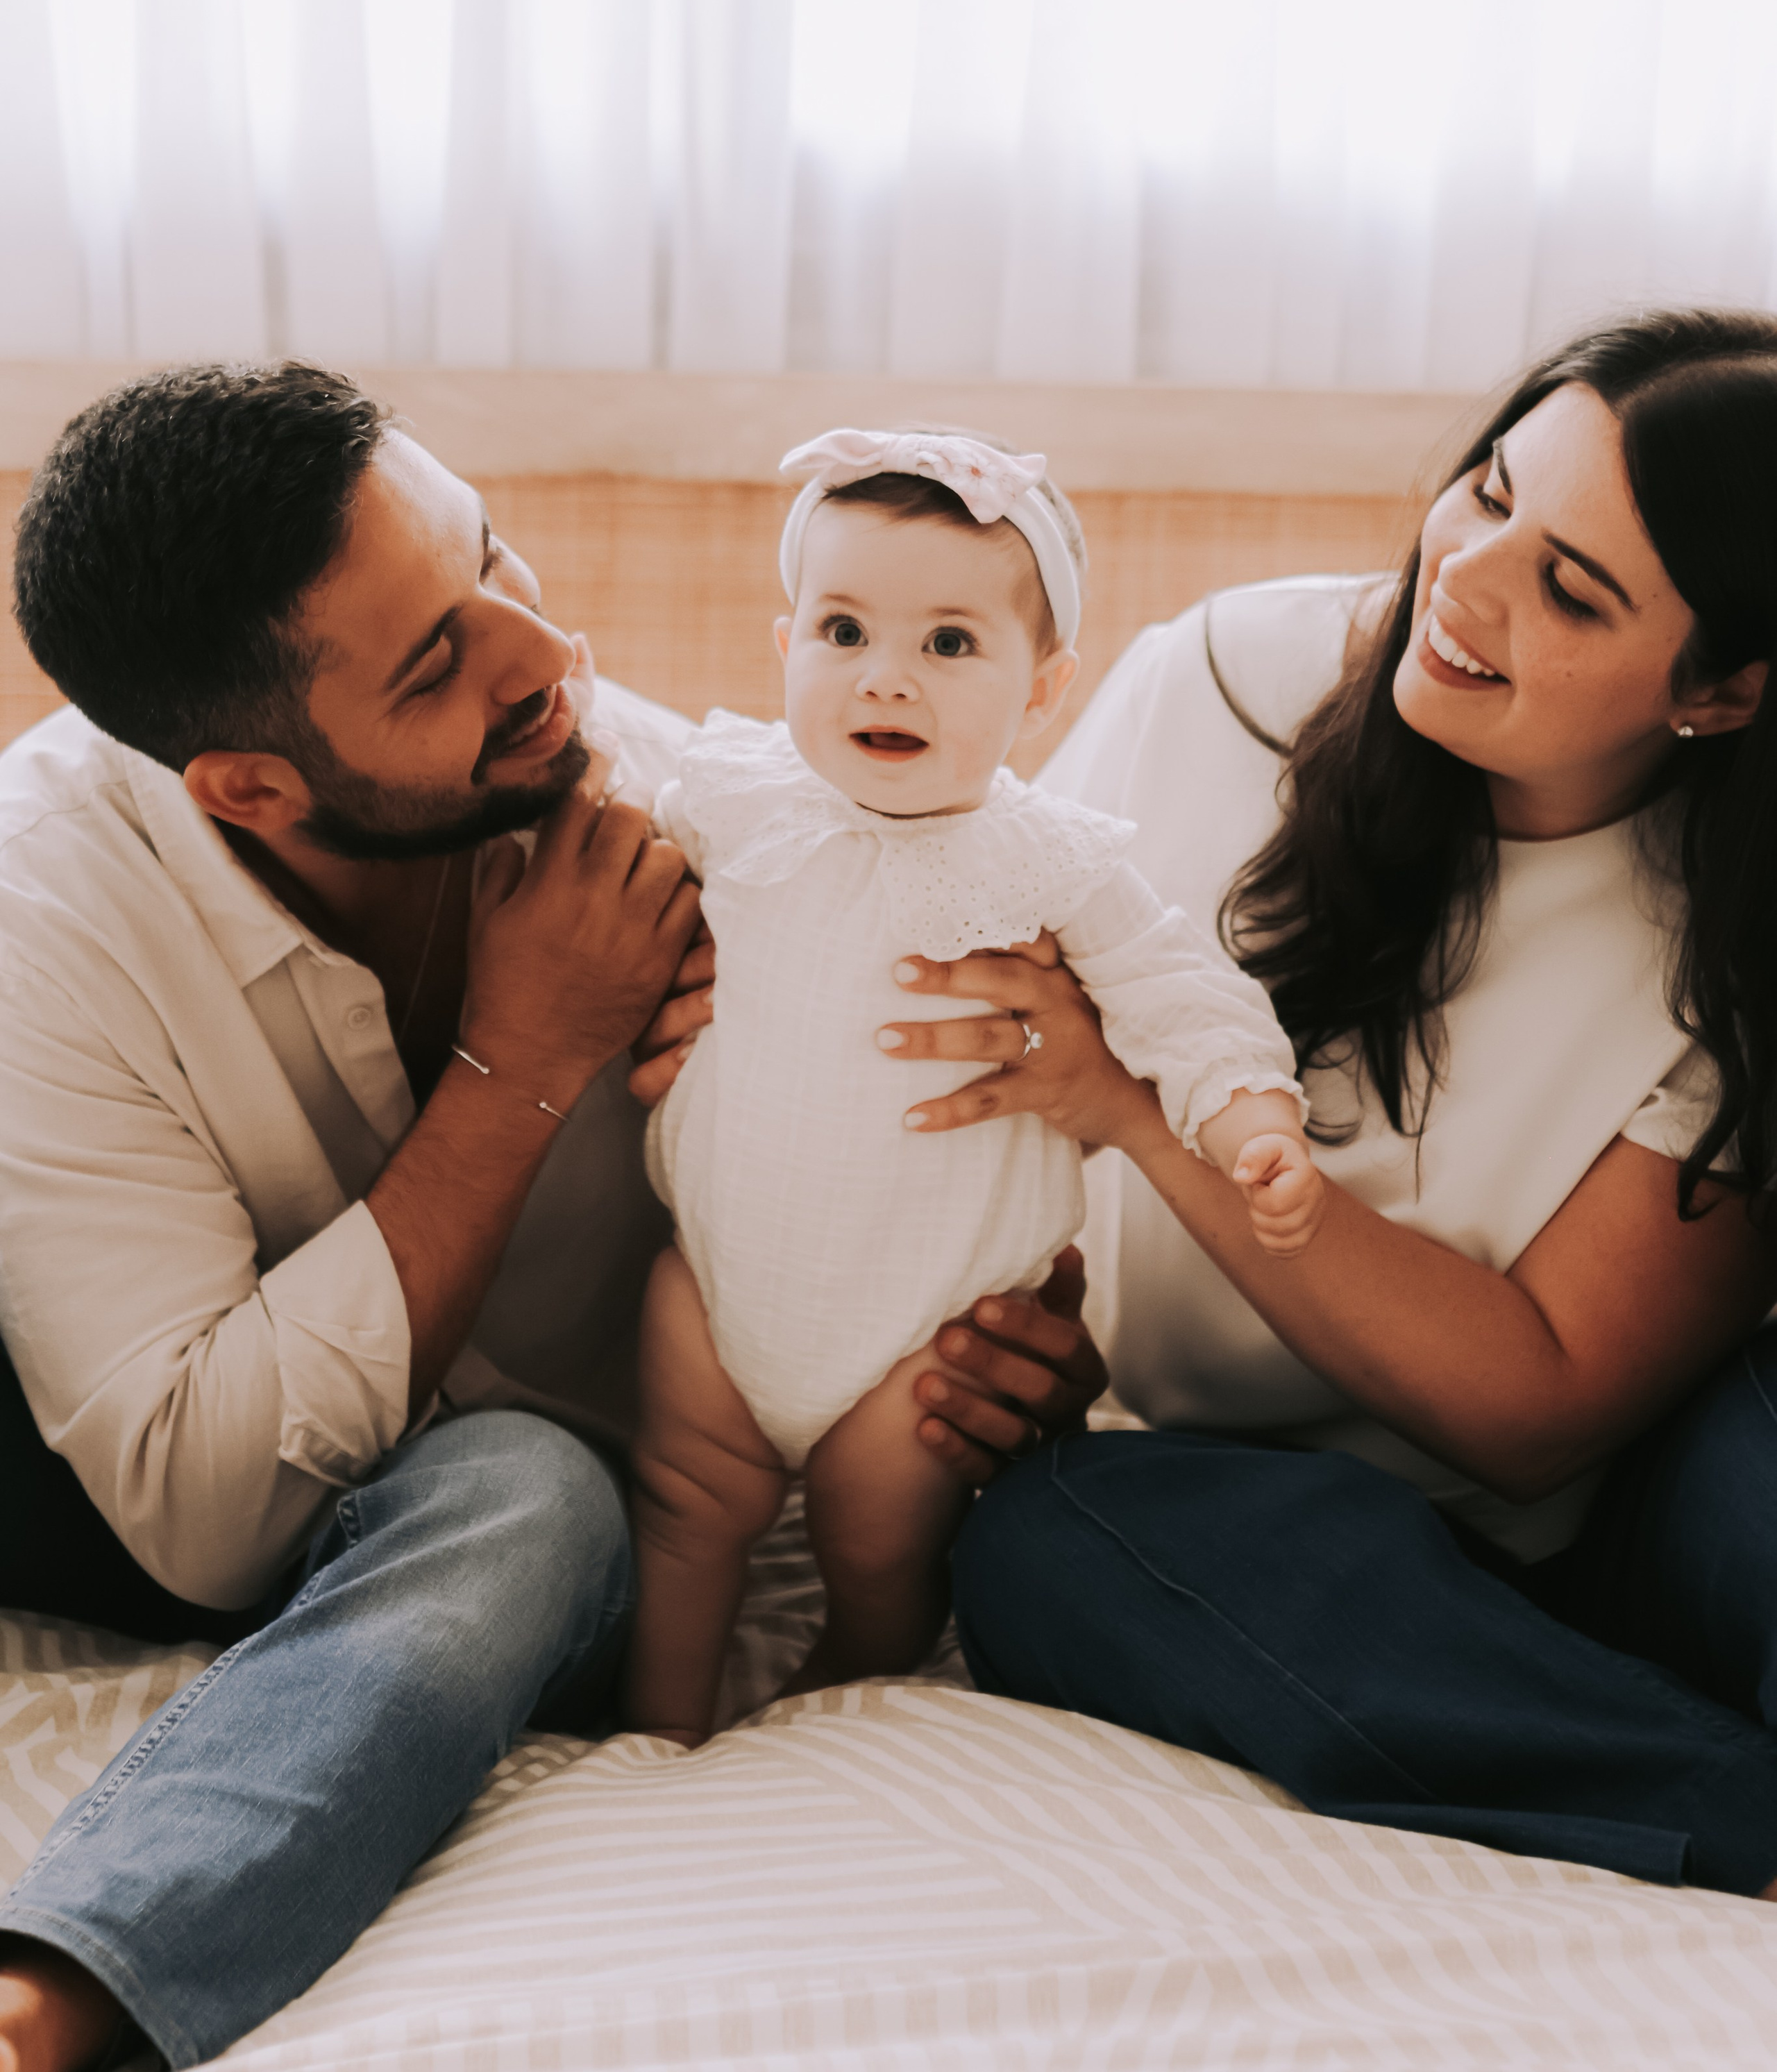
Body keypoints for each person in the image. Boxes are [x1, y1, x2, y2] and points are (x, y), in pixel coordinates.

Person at [0, 364, 1106, 2072]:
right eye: (436, 661)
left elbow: (974, 1128)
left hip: (511, 1499)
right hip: (96, 1455)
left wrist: (999, 1314)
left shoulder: (693, 825)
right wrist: (523, 1064)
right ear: (252, 789)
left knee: (530, 1491)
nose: (544, 655)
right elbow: (204, 1519)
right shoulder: (47, 915)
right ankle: (62, 1995)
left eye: (492, 559)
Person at [874, 308, 1777, 1898]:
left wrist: (1148, 1123)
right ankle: (1730, 1813)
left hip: (1586, 1527)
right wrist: (1016, 1312)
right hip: (1227, 1498)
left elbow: (1533, 1408)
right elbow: (957, 1038)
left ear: (1719, 688)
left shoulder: (1737, 938)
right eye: (1492, 494)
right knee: (1045, 1541)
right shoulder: (1227, 679)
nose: (1468, 582)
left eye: (1571, 588)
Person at [625, 427, 1317, 1746]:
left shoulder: (1046, 860)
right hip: (717, 1283)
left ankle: (849, 1686)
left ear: (1043, 690)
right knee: (681, 1508)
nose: (887, 679)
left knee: (878, 1542)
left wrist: (1254, 1119)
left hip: (922, 1331)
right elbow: (607, 877)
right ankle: (652, 1733)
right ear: (786, 650)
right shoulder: (729, 798)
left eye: (949, 644)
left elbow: (1182, 994)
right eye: (843, 632)